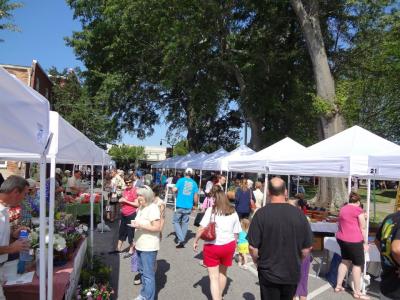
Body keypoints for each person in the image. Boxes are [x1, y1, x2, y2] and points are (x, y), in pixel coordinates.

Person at [248, 177, 313, 300]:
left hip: (268, 271)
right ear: (286, 192)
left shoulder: (260, 214)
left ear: (268, 192)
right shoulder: (299, 215)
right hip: (291, 271)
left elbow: (252, 247)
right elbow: (307, 248)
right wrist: (299, 260)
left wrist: (256, 261)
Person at [193, 190, 241, 300]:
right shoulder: (233, 211)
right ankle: (219, 296)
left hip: (213, 246)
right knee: (223, 273)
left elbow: (201, 228)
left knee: (213, 277)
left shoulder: (211, 210)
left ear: (216, 199)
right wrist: (234, 246)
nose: (212, 200)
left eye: (213, 198)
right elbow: (236, 232)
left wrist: (195, 241)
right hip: (228, 245)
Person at [0, 176, 31, 299]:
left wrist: (13, 235)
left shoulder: (4, 209)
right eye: (25, 193)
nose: (25, 198)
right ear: (15, 192)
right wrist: (10, 248)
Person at [335, 192, 370, 300]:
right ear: (358, 202)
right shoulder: (358, 209)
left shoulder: (343, 208)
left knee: (345, 261)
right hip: (354, 240)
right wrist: (365, 243)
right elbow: (363, 227)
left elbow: (340, 223)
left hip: (341, 238)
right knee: (357, 265)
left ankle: (338, 285)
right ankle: (357, 292)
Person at [131, 185, 161, 300]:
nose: (138, 197)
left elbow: (157, 227)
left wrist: (140, 225)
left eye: (140, 195)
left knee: (148, 275)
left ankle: (148, 297)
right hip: (140, 244)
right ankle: (144, 294)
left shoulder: (153, 208)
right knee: (143, 272)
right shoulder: (142, 207)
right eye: (138, 195)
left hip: (148, 247)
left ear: (147, 196)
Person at [288, 198, 311, 300]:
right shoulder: (284, 219)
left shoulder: (304, 220)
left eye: (290, 206)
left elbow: (308, 243)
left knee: (302, 282)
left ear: (298, 208)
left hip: (301, 254)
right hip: (288, 255)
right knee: (290, 286)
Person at [375, 210, 400, 300]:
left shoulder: (390, 217)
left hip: (387, 282)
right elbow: (396, 248)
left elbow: (377, 241)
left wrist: (388, 258)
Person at [172, 168, 199, 248]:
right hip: (188, 206)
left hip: (180, 204)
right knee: (185, 223)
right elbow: (195, 196)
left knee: (176, 221)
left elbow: (174, 189)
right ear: (192, 174)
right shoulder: (194, 183)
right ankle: (181, 241)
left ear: (185, 173)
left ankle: (181, 238)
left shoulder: (180, 180)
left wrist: (174, 189)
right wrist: (195, 205)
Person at [114, 177, 139, 258]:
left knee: (130, 233)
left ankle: (131, 250)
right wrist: (121, 203)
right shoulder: (125, 190)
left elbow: (137, 204)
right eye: (126, 183)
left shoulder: (134, 190)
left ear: (132, 182)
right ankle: (118, 248)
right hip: (124, 214)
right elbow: (124, 202)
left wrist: (125, 201)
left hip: (131, 214)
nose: (128, 184)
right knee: (122, 231)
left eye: (129, 182)